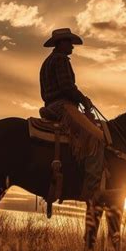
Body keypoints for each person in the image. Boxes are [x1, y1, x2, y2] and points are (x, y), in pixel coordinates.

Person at [40, 28, 105, 201]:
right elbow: (67, 87)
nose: (72, 47)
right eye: (69, 42)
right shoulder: (61, 60)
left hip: (51, 106)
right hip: (63, 106)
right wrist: (83, 100)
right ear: (61, 43)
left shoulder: (48, 61)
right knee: (96, 136)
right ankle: (92, 188)